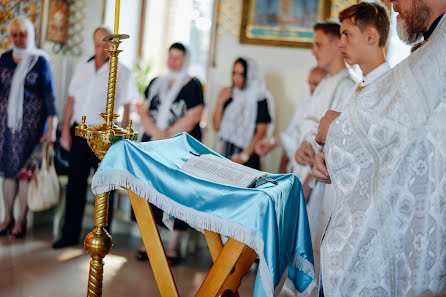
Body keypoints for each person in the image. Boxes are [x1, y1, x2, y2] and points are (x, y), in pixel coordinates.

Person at [312, 0, 446, 296]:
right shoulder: (432, 46)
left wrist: (338, 131)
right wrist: (334, 150)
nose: (390, 3)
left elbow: (411, 134)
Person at [52, 26, 138, 249]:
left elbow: (128, 105)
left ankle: (101, 237)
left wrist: (124, 139)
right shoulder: (83, 66)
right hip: (80, 133)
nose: (101, 50)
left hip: (104, 137)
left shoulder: (123, 71)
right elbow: (71, 99)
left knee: (103, 187)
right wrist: (64, 131)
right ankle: (69, 235)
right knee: (75, 185)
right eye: (97, 45)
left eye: (105, 45)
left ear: (112, 44)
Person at [136, 42, 204, 265]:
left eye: (178, 58)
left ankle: (173, 246)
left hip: (179, 146)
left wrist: (168, 134)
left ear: (185, 60)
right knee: (150, 190)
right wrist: (155, 132)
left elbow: (194, 115)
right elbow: (143, 110)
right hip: (154, 142)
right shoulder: (156, 81)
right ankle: (149, 242)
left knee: (176, 193)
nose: (173, 61)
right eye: (171, 57)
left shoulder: (193, 85)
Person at [0, 17, 57, 239]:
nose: (19, 39)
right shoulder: (4, 59)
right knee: (8, 173)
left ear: (30, 35)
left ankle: (21, 221)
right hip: (6, 128)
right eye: (15, 35)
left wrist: (51, 128)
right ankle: (7, 217)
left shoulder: (40, 61)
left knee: (25, 174)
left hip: (32, 129)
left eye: (23, 35)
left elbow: (50, 97)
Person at [255, 66, 327, 193]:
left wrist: (307, 186)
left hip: (316, 179)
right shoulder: (304, 106)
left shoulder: (329, 107)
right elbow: (292, 136)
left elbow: (321, 148)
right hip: (298, 169)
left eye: (316, 84)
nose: (311, 88)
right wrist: (281, 164)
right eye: (309, 84)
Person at [212, 57, 274, 170]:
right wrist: (219, 102)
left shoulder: (259, 98)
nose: (236, 78)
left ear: (250, 75)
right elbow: (216, 127)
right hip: (225, 151)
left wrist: (243, 157)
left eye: (241, 74)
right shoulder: (229, 94)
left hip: (248, 156)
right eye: (234, 73)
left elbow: (261, 132)